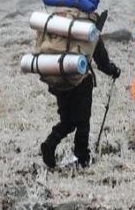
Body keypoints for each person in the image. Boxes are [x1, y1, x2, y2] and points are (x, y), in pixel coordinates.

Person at [40, 27, 121, 169]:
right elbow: (102, 62)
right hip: (81, 81)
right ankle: (82, 157)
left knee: (68, 121)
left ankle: (50, 143)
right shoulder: (89, 30)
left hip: (59, 79)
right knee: (83, 121)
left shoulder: (60, 27)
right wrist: (114, 70)